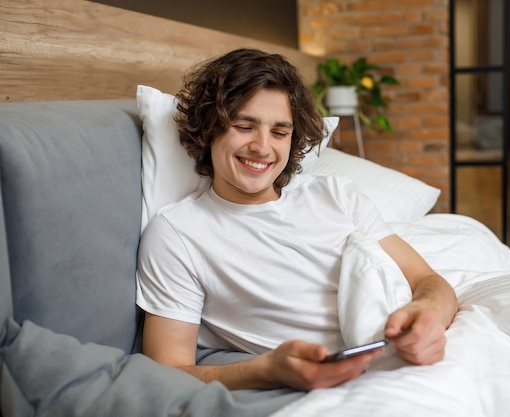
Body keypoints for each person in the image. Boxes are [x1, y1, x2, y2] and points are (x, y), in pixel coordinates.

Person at [136, 48, 459, 393]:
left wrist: (428, 315)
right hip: (364, 387)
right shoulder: (178, 233)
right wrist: (266, 371)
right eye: (244, 126)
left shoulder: (336, 194)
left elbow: (428, 280)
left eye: (279, 132)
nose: (262, 148)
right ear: (209, 128)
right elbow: (167, 371)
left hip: (424, 354)